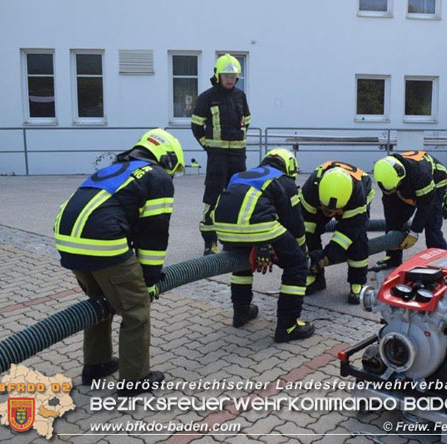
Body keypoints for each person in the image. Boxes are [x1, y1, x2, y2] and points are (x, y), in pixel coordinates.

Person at [54, 129, 185, 396]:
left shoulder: (116, 169)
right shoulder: (157, 176)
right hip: (103, 243)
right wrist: (149, 280)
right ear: (169, 157)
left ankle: (96, 364)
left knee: (100, 300)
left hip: (67, 240)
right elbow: (154, 232)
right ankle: (134, 379)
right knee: (135, 308)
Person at [213, 148, 314, 343]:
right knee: (297, 264)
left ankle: (241, 312)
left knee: (242, 264)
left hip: (224, 228)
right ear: (290, 167)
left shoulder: (241, 174)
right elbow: (294, 224)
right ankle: (288, 326)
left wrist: (262, 243)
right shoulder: (284, 181)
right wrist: (302, 252)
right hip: (257, 226)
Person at [191, 54, 251, 255]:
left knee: (237, 199)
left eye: (233, 76)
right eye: (226, 75)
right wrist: (209, 146)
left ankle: (233, 242)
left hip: (238, 157)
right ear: (218, 75)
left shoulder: (240, 96)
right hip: (217, 158)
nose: (229, 79)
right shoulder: (207, 97)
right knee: (213, 199)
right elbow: (197, 126)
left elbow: (247, 121)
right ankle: (210, 243)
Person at [300, 161, 374, 304]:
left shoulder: (357, 195)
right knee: (309, 235)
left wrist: (328, 255)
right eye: (326, 210)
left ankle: (356, 282)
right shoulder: (311, 189)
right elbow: (305, 227)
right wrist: (308, 253)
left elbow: (347, 234)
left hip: (355, 204)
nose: (330, 215)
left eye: (334, 212)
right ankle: (315, 277)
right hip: (324, 201)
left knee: (357, 241)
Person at [372, 150, 447, 270]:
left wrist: (414, 232)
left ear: (401, 175)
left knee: (432, 225)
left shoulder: (421, 175)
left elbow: (425, 206)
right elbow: (390, 209)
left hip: (436, 182)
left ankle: (441, 260)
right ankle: (393, 259)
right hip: (409, 184)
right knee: (395, 220)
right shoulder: (387, 176)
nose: (395, 190)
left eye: (396, 187)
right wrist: (392, 227)